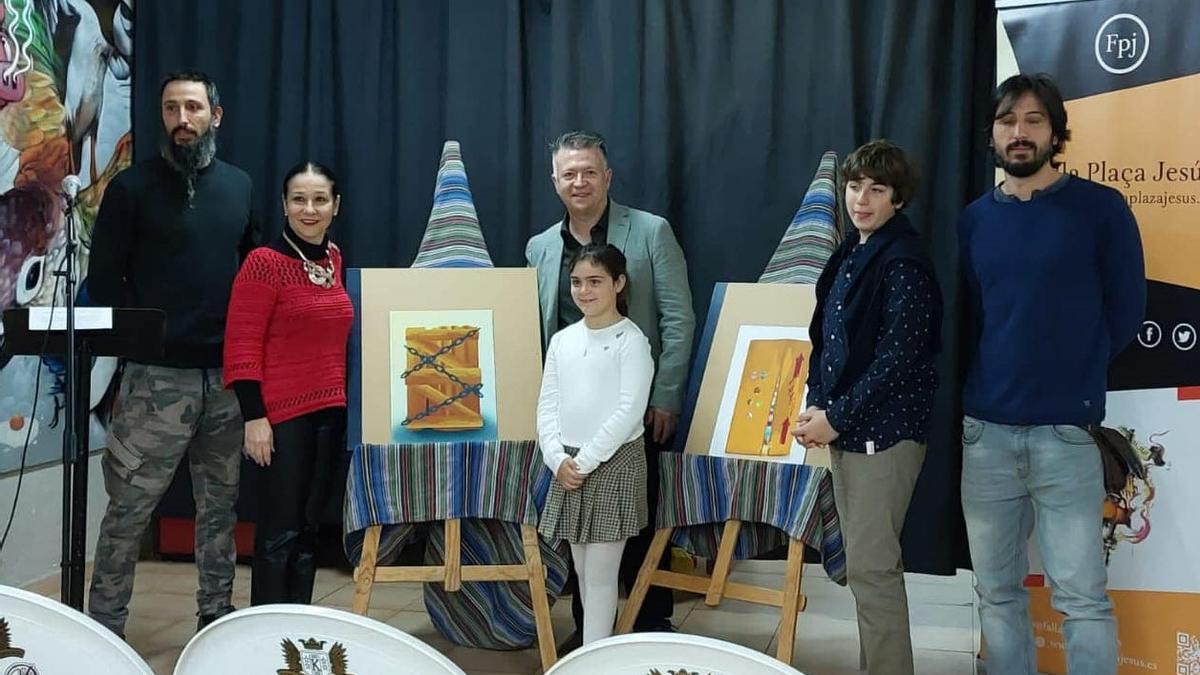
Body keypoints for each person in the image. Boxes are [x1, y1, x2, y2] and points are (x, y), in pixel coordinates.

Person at [959, 73, 1144, 675]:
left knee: (1082, 600)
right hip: (984, 435)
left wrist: (1073, 380)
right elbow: (970, 320)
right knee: (997, 592)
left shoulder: (1099, 209)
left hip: (1067, 435)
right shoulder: (973, 221)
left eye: (1034, 120)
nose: (1019, 132)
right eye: (1008, 121)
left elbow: (1125, 312)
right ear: (991, 133)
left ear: (1056, 132)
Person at [86, 71, 257, 635]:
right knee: (128, 512)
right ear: (161, 116)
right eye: (170, 109)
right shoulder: (130, 188)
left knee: (218, 512)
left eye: (193, 107)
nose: (182, 120)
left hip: (227, 382)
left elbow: (254, 279)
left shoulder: (240, 187)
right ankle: (104, 628)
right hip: (154, 382)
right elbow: (106, 281)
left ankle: (216, 618)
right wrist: (145, 342)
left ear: (216, 115)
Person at [526, 130, 694, 641]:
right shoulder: (539, 248)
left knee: (636, 521)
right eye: (569, 173)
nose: (580, 181)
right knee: (580, 531)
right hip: (570, 418)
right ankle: (590, 635)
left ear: (607, 176)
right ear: (555, 181)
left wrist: (665, 395)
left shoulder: (649, 231)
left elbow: (679, 318)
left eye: (589, 171)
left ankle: (649, 625)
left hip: (633, 412)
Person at [794, 140, 942, 675]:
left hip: (885, 433)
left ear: (897, 198)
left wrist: (834, 417)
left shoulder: (903, 261)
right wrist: (818, 405)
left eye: (876, 189)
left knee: (874, 569)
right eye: (855, 186)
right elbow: (830, 341)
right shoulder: (854, 251)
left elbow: (898, 360)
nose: (861, 198)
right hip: (852, 429)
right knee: (865, 568)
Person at [223, 161, 354, 605]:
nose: (309, 209)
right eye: (299, 199)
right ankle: (266, 631)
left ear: (336, 206)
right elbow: (241, 346)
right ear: (284, 205)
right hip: (281, 418)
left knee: (310, 529)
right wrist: (254, 417)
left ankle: (297, 625)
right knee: (279, 532)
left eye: (320, 199)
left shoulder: (334, 259)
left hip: (330, 413)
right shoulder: (264, 263)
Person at [537, 243, 654, 646]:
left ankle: (596, 658)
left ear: (618, 283)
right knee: (583, 572)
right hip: (568, 465)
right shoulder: (562, 341)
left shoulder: (631, 341)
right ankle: (594, 653)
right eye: (577, 282)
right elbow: (547, 405)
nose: (585, 291)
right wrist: (556, 458)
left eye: (595, 282)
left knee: (603, 574)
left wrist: (583, 461)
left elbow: (628, 411)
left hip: (612, 464)